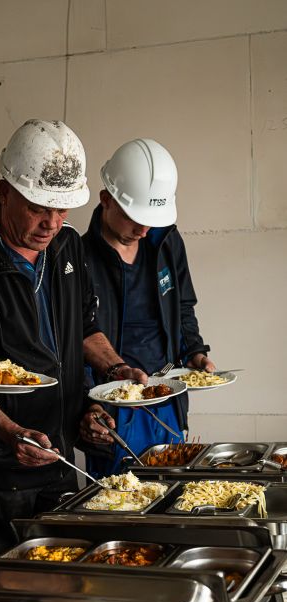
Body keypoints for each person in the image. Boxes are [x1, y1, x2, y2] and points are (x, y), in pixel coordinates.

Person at [0, 119, 145, 556]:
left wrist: (114, 371)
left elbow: (85, 329)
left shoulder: (68, 245)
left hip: (60, 458)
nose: (52, 223)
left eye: (62, 209)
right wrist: (12, 433)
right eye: (38, 208)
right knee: (4, 589)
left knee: (65, 581)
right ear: (5, 192)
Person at [82, 138, 216, 476]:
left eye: (149, 220)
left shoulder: (166, 241)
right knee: (119, 508)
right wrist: (89, 402)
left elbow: (183, 306)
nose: (142, 229)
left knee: (175, 498)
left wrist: (195, 352)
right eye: (133, 218)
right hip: (115, 405)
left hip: (166, 395)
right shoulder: (78, 258)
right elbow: (75, 338)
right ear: (106, 199)